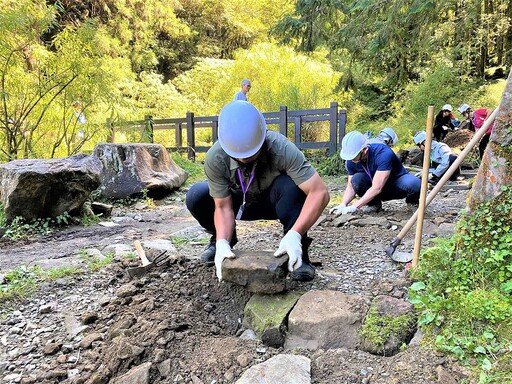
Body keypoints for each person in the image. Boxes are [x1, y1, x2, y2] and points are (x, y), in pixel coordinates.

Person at [186, 101, 330, 282]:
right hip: (240, 204)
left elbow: (319, 192)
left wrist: (295, 234)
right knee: (197, 195)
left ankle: (298, 251)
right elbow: (222, 207)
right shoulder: (216, 157)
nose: (244, 158)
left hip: (275, 202)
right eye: (237, 155)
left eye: (250, 153)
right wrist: (223, 241)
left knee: (293, 186)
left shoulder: (281, 147)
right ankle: (221, 243)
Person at [330, 131, 421, 215]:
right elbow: (350, 186)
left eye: (353, 156)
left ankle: (412, 202)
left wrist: (355, 207)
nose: (351, 159)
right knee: (356, 179)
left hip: (395, 184)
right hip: (374, 187)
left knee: (415, 184)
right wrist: (343, 204)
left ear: (364, 149)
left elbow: (377, 187)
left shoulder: (383, 153)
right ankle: (374, 204)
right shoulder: (351, 160)